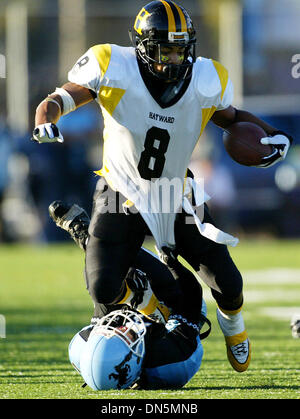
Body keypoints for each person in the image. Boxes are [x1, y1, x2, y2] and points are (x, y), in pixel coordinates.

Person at [32, 1, 294, 373]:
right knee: (103, 288)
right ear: (141, 47)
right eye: (165, 50)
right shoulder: (112, 65)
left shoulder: (205, 79)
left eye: (180, 49)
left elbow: (232, 119)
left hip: (175, 193)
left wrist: (272, 136)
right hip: (119, 192)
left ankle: (234, 328)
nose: (174, 59)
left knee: (227, 282)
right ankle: (146, 303)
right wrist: (46, 117)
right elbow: (62, 97)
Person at [49, 199, 211, 390]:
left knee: (102, 289)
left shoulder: (83, 347)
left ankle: (86, 236)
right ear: (130, 364)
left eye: (116, 329)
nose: (122, 326)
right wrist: (171, 261)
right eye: (124, 335)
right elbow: (191, 294)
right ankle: (153, 298)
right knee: (135, 265)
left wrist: (102, 255)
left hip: (128, 316)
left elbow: (104, 310)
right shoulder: (173, 361)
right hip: (176, 316)